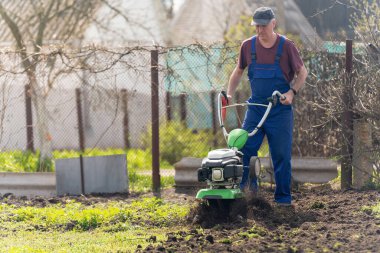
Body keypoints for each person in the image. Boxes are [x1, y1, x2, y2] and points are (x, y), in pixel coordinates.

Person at [226, 6, 308, 205]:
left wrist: (291, 92)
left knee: (280, 155)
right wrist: (229, 93)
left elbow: (302, 73)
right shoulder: (248, 46)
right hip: (255, 108)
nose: (260, 30)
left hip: (279, 111)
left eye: (263, 26)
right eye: (256, 26)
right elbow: (238, 71)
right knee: (244, 149)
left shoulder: (286, 46)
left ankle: (283, 200)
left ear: (273, 23)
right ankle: (247, 196)